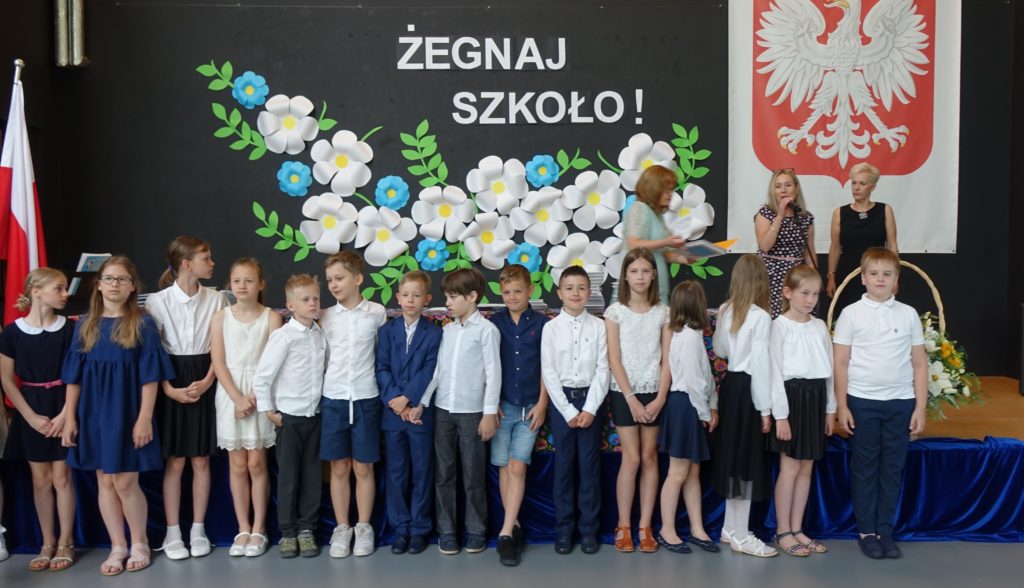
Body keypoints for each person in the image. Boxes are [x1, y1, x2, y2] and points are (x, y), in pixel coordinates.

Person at [60, 256, 174, 575]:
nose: (115, 284)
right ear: (98, 285)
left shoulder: (142, 323)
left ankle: (139, 542)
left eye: (122, 279)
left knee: (125, 480)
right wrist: (70, 417)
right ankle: (117, 545)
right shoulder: (85, 324)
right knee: (105, 480)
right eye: (109, 278)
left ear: (132, 286)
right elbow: (74, 378)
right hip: (92, 412)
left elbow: (150, 377)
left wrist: (144, 418)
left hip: (126, 411)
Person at [833, 248, 927, 560]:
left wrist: (920, 407)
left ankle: (885, 530)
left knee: (892, 468)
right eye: (874, 274)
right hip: (863, 402)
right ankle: (866, 532)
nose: (880, 279)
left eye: (887, 274)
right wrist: (842, 406)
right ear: (863, 278)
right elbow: (841, 362)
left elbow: (919, 364)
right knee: (864, 467)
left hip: (901, 402)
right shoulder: (851, 314)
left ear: (896, 279)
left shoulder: (908, 314)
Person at [147, 236, 227, 560]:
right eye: (206, 258)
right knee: (176, 460)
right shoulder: (158, 301)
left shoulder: (217, 299)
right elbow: (154, 352)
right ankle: (172, 532)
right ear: (186, 264)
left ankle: (197, 529)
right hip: (172, 376)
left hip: (205, 373)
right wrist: (168, 388)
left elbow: (220, 347)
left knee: (201, 459)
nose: (212, 263)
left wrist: (208, 381)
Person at [0, 268, 77, 571]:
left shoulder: (70, 329)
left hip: (63, 405)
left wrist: (66, 414)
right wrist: (30, 417)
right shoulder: (11, 333)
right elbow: (7, 380)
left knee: (62, 478)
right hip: (30, 408)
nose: (65, 294)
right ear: (36, 291)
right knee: (40, 480)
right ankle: (47, 542)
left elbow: (77, 375)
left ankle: (66, 542)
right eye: (58, 288)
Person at [421, 268, 501, 555]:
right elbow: (438, 371)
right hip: (443, 410)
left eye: (453, 297)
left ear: (472, 296)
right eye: (447, 297)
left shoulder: (487, 330)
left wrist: (489, 413)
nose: (448, 303)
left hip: (472, 412)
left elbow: (494, 374)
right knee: (444, 474)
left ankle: (476, 530)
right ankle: (447, 532)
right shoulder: (448, 330)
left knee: (473, 475)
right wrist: (423, 401)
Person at [210, 258, 282, 558]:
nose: (242, 286)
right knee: (237, 464)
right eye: (237, 280)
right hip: (230, 394)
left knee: (257, 464)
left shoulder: (272, 318)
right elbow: (218, 362)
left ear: (261, 284)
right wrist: (237, 398)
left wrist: (252, 396)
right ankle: (242, 527)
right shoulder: (220, 318)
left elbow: (271, 362)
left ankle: (259, 528)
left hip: (260, 393)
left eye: (249, 280)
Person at [252, 274, 327, 559]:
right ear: (291, 305)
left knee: (312, 476)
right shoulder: (283, 336)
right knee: (289, 478)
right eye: (306, 299)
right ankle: (287, 531)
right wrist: (269, 411)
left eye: (315, 298)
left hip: (314, 416)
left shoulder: (319, 334)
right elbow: (263, 377)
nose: (313, 303)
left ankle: (307, 529)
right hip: (289, 419)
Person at [319, 251, 387, 558]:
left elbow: (381, 355)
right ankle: (342, 526)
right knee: (338, 466)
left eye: (340, 278)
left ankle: (363, 526)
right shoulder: (325, 316)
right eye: (329, 280)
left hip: (365, 397)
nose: (334, 285)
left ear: (358, 279)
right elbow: (322, 357)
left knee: (363, 465)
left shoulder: (376, 313)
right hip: (334, 397)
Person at [710, 254, 777, 557]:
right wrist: (765, 409)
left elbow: (721, 350)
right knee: (747, 460)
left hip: (731, 387)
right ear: (762, 282)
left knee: (733, 457)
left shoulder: (725, 309)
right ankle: (741, 534)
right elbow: (760, 365)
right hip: (749, 389)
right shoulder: (761, 317)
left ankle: (729, 527)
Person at [540, 266, 610, 555]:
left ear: (589, 292)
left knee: (589, 468)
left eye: (581, 288)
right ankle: (564, 531)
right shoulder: (551, 328)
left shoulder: (599, 326)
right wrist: (568, 411)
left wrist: (590, 408)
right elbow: (549, 372)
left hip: (592, 400)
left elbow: (603, 369)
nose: (576, 293)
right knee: (565, 468)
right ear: (560, 293)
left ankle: (589, 530)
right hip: (562, 403)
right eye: (569, 288)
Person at [605, 248, 670, 553]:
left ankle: (645, 526)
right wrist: (631, 398)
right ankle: (623, 525)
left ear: (654, 275)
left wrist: (660, 398)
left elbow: (668, 360)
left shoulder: (663, 312)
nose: (640, 277)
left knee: (649, 457)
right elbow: (614, 359)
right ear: (626, 276)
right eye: (634, 271)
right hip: (624, 392)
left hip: (654, 390)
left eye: (645, 271)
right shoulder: (615, 312)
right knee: (631, 459)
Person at [768, 265, 836, 557]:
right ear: (788, 292)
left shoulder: (819, 327)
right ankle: (783, 531)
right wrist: (781, 416)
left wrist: (830, 409)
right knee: (790, 467)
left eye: (815, 294)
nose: (810, 300)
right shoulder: (779, 326)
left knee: (807, 466)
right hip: (792, 398)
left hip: (816, 398)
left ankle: (797, 529)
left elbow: (829, 371)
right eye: (804, 293)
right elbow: (774, 373)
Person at [376, 270, 442, 556]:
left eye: (417, 295)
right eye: (406, 295)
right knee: (397, 473)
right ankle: (400, 528)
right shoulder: (386, 331)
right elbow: (381, 368)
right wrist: (395, 400)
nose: (411, 300)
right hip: (393, 414)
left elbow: (430, 369)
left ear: (426, 299)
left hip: (418, 412)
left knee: (421, 471)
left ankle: (419, 529)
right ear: (398, 297)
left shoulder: (435, 332)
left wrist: (408, 399)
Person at [488, 264, 549, 566]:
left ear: (530, 291)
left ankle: (504, 534)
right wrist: (491, 404)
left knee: (518, 466)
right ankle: (513, 526)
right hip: (502, 406)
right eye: (506, 292)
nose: (512, 297)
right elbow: (488, 365)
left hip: (530, 408)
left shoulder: (542, 324)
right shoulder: (494, 323)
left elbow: (547, 366)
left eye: (518, 291)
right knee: (503, 466)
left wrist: (542, 403)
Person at [657, 280, 719, 555]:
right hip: (686, 406)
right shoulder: (687, 338)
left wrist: (710, 405)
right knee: (678, 472)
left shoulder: (689, 335)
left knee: (692, 471)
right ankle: (667, 530)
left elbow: (705, 378)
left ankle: (697, 528)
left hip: (690, 406)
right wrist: (705, 412)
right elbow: (695, 382)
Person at [826, 162, 898, 308]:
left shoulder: (885, 210)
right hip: (847, 274)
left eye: (862, 183)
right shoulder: (839, 213)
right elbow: (835, 247)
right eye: (854, 183)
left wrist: (895, 277)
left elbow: (892, 245)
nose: (856, 188)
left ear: (872, 187)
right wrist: (831, 276)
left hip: (877, 275)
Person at [623, 165, 691, 302]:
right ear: (653, 189)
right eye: (666, 190)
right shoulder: (639, 208)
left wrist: (683, 259)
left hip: (656, 288)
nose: (670, 194)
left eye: (671, 190)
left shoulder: (658, 216)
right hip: (641, 291)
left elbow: (661, 253)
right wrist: (666, 242)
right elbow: (633, 245)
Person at [754, 169, 816, 317]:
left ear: (796, 188)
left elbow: (809, 253)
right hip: (771, 276)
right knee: (774, 318)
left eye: (788, 185)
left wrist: (812, 280)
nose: (783, 190)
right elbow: (765, 246)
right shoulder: (765, 214)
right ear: (773, 191)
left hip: (797, 277)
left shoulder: (806, 217)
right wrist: (780, 215)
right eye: (778, 186)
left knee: (798, 317)